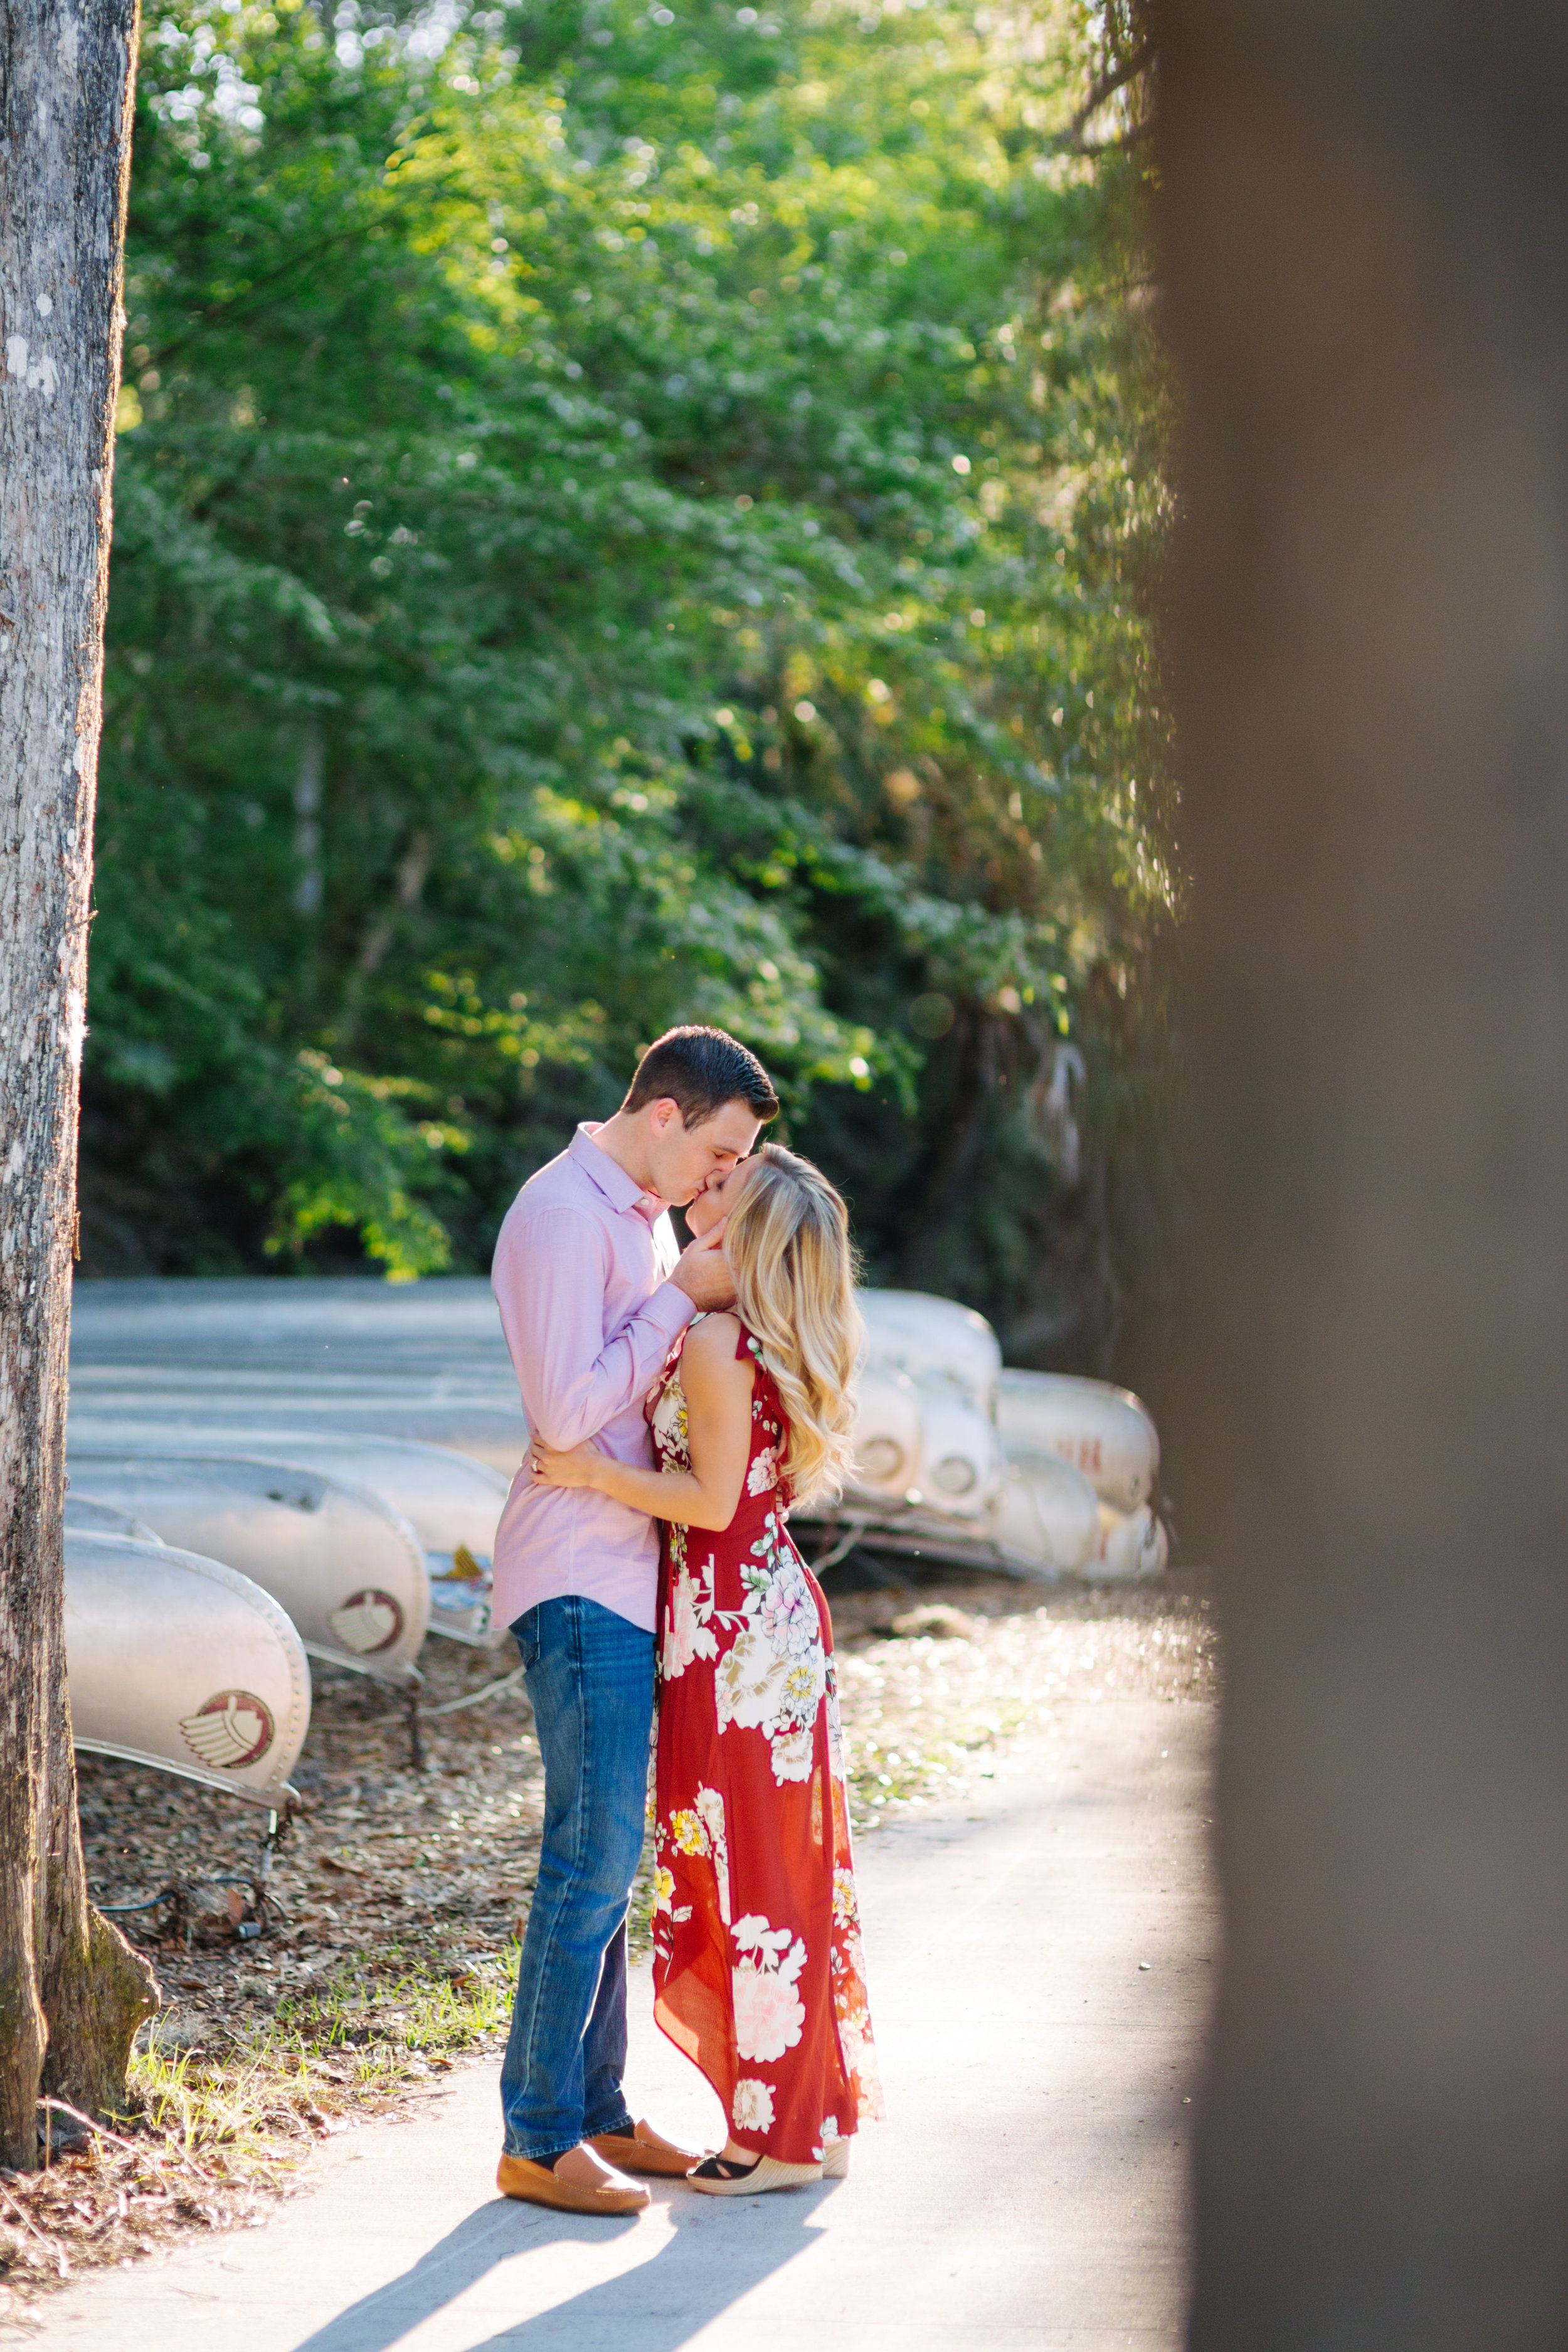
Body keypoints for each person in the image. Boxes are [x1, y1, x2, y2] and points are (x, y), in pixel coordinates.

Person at [532, 1142, 884, 2196]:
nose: (704, 1185)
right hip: (759, 1615)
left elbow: (710, 1503)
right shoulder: (751, 1335)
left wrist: (588, 1470)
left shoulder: (719, 1341)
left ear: (749, 1228)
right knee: (781, 1864)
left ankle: (775, 2134)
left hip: (731, 1626)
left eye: (727, 1183)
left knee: (750, 1872)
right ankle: (810, 2120)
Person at [489, 1025, 778, 2218]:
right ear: (664, 1114)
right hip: (573, 1571)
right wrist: (675, 1305)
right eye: (718, 1152)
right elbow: (567, 1414)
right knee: (591, 1852)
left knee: (613, 1857)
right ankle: (538, 2134)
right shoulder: (566, 1214)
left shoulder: (641, 1216)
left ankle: (598, 2111)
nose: (720, 1180)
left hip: (624, 1568)